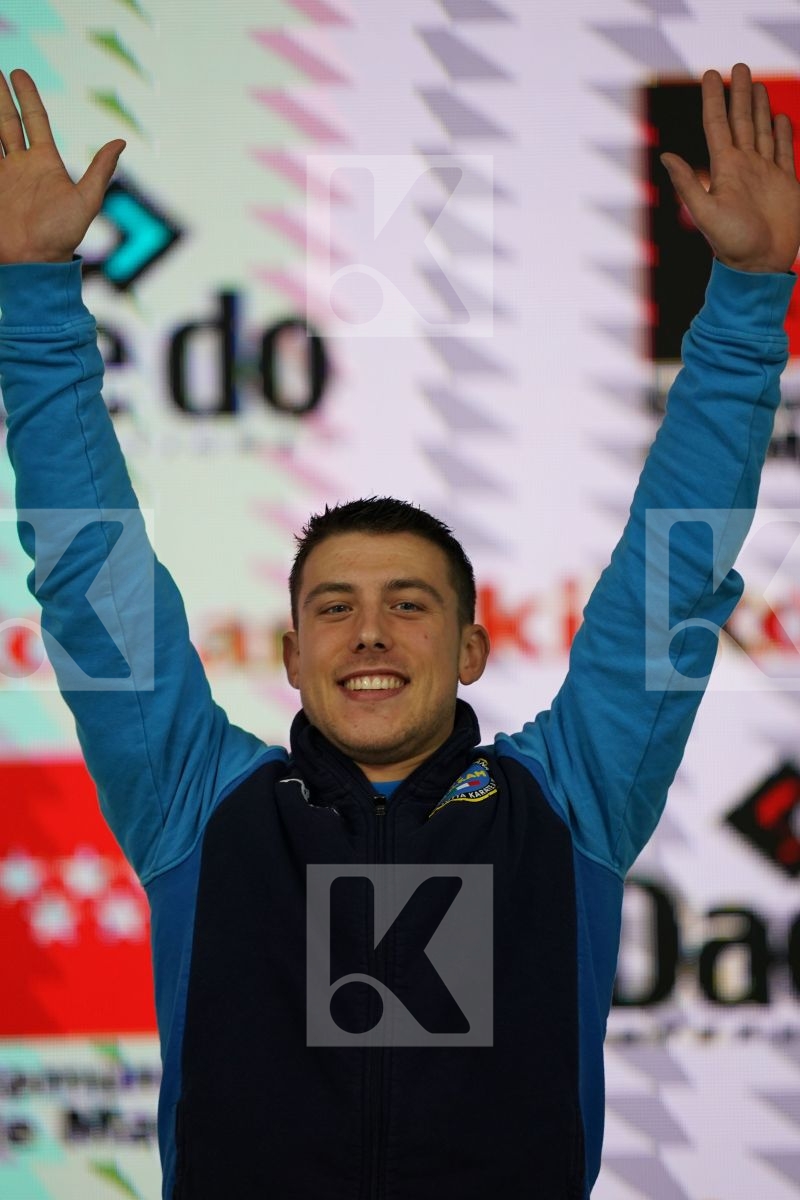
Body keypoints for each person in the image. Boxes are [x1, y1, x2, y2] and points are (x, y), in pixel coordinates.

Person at [0, 62, 798, 1200]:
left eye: (407, 606)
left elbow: (665, 590)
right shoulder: (194, 799)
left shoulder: (570, 799)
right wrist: (32, 296)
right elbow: (90, 575)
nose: (368, 635)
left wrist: (746, 296)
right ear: (289, 656)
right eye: (333, 608)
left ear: (469, 650)